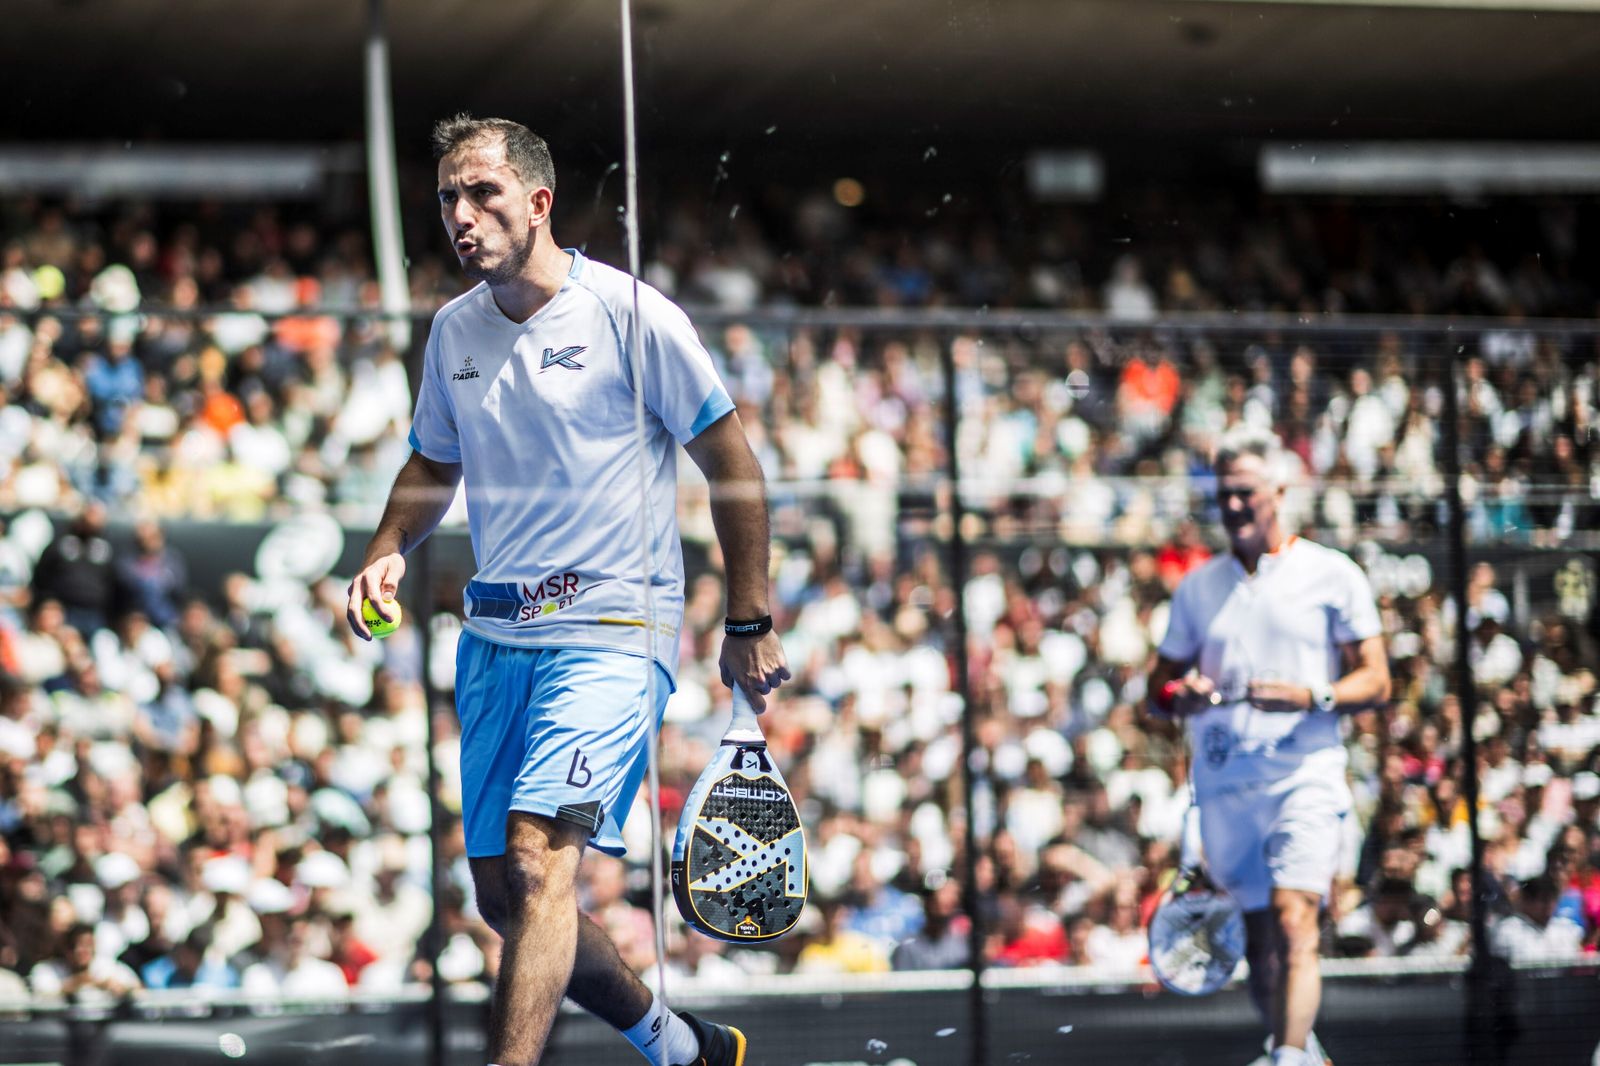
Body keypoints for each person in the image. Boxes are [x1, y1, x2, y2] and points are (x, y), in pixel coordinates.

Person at [346, 114, 788, 1066]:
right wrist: (387, 547)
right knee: (503, 895)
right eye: (448, 199)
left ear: (539, 201)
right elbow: (433, 462)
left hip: (614, 628)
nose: (461, 216)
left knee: (540, 858)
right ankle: (683, 1049)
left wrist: (749, 617)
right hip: (495, 638)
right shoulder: (452, 330)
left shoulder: (633, 313)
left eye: (483, 193)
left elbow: (734, 465)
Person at [1145, 425, 1391, 1066]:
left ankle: (1287, 1056)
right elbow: (1155, 692)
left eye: (1245, 492)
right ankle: (1301, 1050)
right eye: (1223, 493)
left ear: (1279, 490)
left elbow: (1377, 680)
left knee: (1294, 919)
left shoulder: (1332, 574)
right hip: (1225, 788)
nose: (1232, 505)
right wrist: (1181, 694)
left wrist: (1311, 696)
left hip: (1302, 777)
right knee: (1261, 948)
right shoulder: (1197, 587)